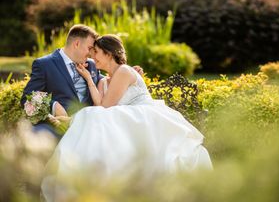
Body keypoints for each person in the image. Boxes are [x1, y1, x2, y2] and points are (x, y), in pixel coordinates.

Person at [41, 34, 212, 201]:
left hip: (145, 116)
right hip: (123, 119)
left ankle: (72, 129)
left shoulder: (124, 71)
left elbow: (106, 107)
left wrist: (76, 118)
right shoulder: (102, 82)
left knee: (96, 116)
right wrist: (89, 79)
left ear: (108, 53)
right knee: (97, 118)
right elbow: (100, 107)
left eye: (96, 52)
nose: (93, 56)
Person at [20, 24, 142, 138]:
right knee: (38, 135)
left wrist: (128, 74)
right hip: (61, 124)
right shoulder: (45, 64)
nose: (91, 54)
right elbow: (27, 98)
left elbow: (107, 82)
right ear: (77, 44)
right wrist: (54, 105)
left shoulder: (92, 64)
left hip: (90, 125)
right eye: (90, 48)